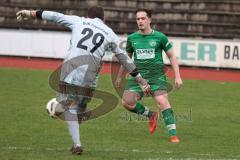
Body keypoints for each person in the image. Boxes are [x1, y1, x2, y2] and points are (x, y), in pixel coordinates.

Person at [16, 6, 151, 155]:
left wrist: (32, 13)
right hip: (90, 79)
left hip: (70, 72)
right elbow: (124, 58)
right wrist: (139, 79)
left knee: (68, 109)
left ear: (88, 16)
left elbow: (55, 15)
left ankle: (71, 130)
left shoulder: (79, 21)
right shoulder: (110, 34)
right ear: (103, 19)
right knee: (79, 105)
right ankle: (79, 114)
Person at [115, 8, 183, 143]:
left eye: (143, 18)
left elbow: (172, 57)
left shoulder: (160, 37)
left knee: (162, 101)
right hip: (138, 77)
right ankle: (151, 115)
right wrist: (119, 76)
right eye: (138, 19)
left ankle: (173, 135)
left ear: (149, 20)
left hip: (156, 76)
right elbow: (127, 59)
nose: (140, 21)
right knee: (126, 102)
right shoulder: (132, 38)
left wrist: (178, 76)